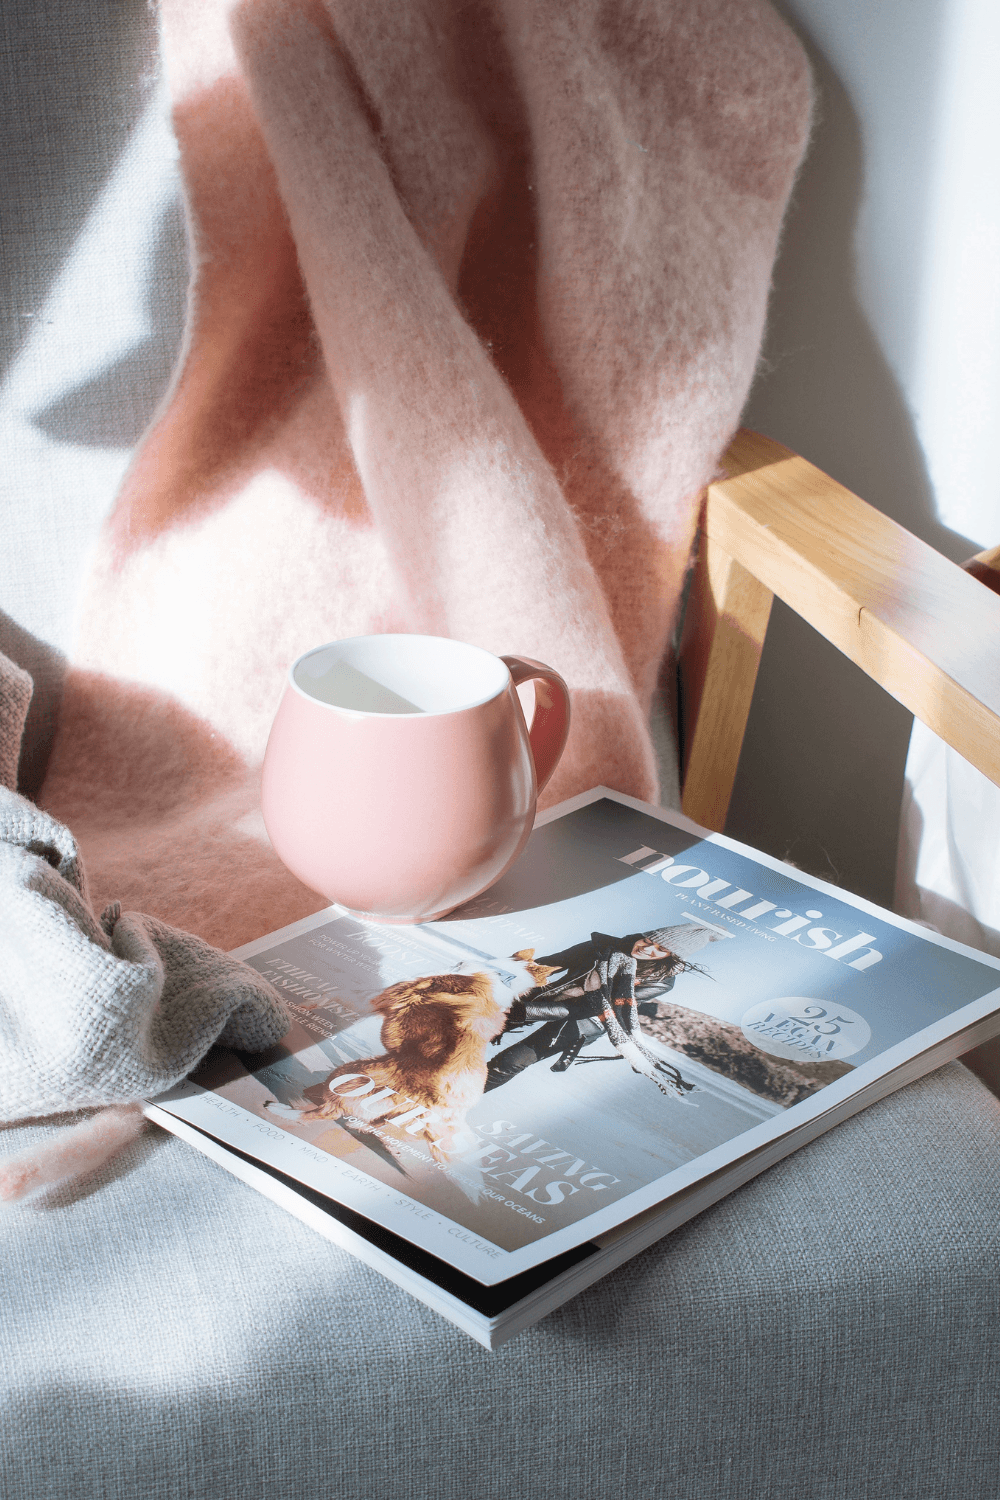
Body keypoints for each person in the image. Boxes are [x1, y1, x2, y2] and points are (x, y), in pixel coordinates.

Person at [484, 924, 723, 1093]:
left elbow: (586, 1008)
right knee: (467, 1030)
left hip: (586, 1020)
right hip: (548, 998)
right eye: (647, 941)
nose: (646, 949)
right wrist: (498, 979)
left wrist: (522, 1012)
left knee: (510, 1062)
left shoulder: (659, 982)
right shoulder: (602, 948)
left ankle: (452, 1103)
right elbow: (548, 964)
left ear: (673, 957)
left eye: (660, 949)